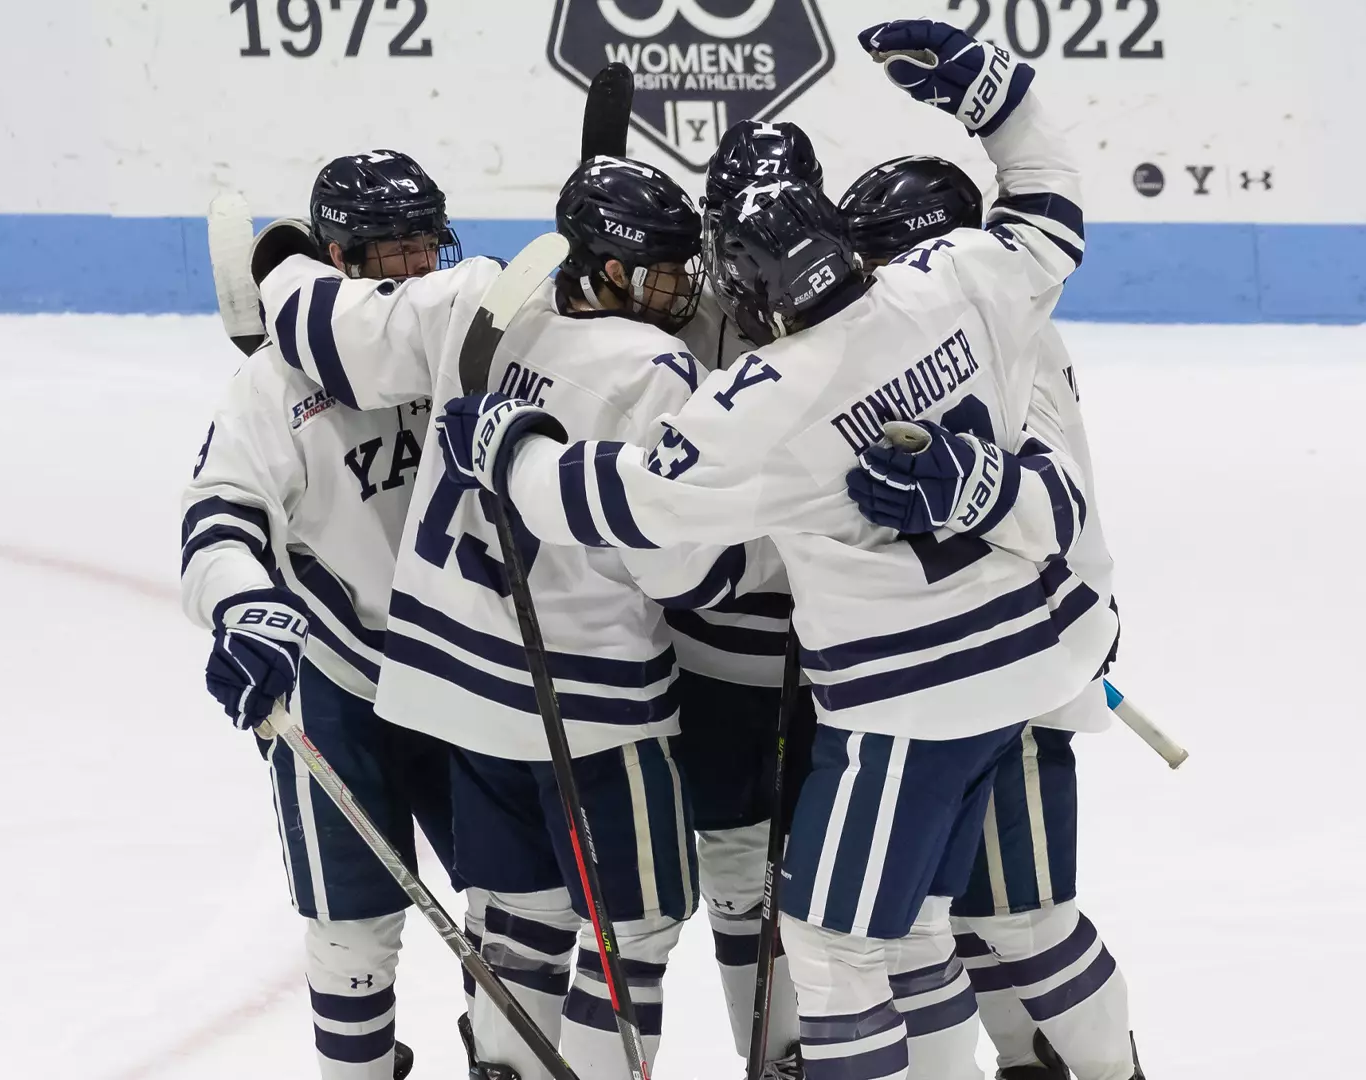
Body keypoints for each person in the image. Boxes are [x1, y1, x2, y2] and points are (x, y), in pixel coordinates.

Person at [435, 19, 1115, 1080]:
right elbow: (1049, 200)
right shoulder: (953, 276)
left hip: (913, 694)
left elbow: (625, 500)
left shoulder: (777, 402)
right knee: (914, 929)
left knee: (845, 952)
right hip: (1027, 651)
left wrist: (512, 450)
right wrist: (998, 91)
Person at [253, 153, 743, 1080]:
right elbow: (690, 573)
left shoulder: (469, 305)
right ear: (609, 271)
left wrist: (279, 260)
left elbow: (322, 326)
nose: (682, 290)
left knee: (519, 919)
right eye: (665, 271)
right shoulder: (655, 368)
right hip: (590, 703)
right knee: (630, 928)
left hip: (455, 697)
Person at [841, 154, 1142, 1080]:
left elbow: (1051, 513)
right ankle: (1026, 1063)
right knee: (955, 914)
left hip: (1017, 654)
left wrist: (952, 491)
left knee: (1022, 917)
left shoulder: (1017, 345)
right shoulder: (955, 334)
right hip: (965, 658)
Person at [180, 149, 469, 1080]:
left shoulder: (462, 337)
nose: (408, 272)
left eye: (421, 249)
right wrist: (244, 605)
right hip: (339, 678)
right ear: (336, 258)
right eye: (385, 255)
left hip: (474, 669)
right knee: (351, 936)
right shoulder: (272, 386)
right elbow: (219, 516)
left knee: (519, 910)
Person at [663, 118, 832, 1076]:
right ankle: (772, 1058)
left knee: (840, 885)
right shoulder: (675, 319)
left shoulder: (855, 304)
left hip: (835, 649)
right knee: (735, 870)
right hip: (710, 654)